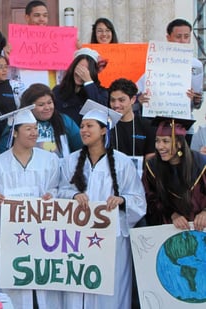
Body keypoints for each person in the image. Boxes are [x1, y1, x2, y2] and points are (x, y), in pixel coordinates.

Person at [58, 102, 146, 309]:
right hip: (77, 237)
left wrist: (122, 200)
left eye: (90, 126)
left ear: (104, 130)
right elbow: (59, 192)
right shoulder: (71, 161)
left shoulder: (123, 162)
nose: (84, 130)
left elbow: (139, 199)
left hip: (112, 238)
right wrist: (74, 195)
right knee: (79, 285)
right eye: (82, 126)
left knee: (111, 288)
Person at [0, 107, 60, 309]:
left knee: (45, 279)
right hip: (11, 235)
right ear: (15, 132)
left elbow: (57, 189)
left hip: (44, 232)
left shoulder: (50, 160)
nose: (34, 133)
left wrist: (52, 195)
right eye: (28, 129)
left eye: (36, 128)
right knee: (14, 278)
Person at [136, 19, 203, 143]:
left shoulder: (196, 65)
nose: (183, 41)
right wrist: (140, 100)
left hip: (184, 126)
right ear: (168, 37)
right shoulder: (155, 61)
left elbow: (197, 103)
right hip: (157, 126)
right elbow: (137, 92)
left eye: (186, 37)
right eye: (178, 36)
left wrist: (197, 99)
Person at [143, 117, 206, 230]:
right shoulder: (152, 167)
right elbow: (150, 199)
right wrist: (172, 214)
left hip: (201, 229)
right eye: (157, 140)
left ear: (179, 143)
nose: (159, 146)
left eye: (166, 141)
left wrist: (205, 212)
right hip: (169, 229)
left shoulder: (201, 164)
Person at [0, 83, 82, 158]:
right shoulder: (18, 123)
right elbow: (3, 152)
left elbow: (81, 144)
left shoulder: (63, 120)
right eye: (41, 105)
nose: (47, 108)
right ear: (29, 106)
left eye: (49, 103)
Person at [108, 78, 156, 175]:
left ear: (133, 99)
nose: (116, 105)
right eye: (113, 100)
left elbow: (150, 160)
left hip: (140, 179)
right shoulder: (105, 126)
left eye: (122, 100)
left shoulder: (147, 126)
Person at [53, 47, 108, 126]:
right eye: (79, 68)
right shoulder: (58, 90)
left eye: (86, 70)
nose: (81, 73)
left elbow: (101, 111)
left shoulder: (101, 92)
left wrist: (88, 82)